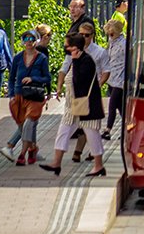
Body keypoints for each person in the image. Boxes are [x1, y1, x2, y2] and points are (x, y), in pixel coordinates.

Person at [40, 34, 106, 177]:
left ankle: (98, 166)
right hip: (73, 107)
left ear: (75, 47)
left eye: (67, 45)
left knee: (92, 134)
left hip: (87, 106)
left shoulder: (86, 61)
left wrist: (75, 62)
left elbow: (79, 81)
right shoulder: (76, 59)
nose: (66, 48)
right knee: (63, 132)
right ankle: (56, 163)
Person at [56, 22, 109, 162]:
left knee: (89, 129)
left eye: (87, 35)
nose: (84, 37)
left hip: (88, 97)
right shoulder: (73, 51)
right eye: (81, 35)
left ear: (92, 36)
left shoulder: (97, 53)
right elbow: (65, 68)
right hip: (74, 98)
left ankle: (87, 156)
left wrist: (98, 85)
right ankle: (58, 160)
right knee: (68, 127)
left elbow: (105, 71)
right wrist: (59, 85)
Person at [0, 30, 50, 165]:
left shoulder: (41, 58)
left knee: (28, 124)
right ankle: (33, 150)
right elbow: (11, 78)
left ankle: (18, 152)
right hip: (19, 95)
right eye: (25, 38)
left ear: (36, 40)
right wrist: (11, 95)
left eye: (32, 38)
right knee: (23, 126)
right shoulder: (17, 58)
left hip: (34, 96)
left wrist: (33, 78)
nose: (28, 41)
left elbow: (47, 77)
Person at [102, 19, 125, 140]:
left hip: (120, 79)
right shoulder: (111, 42)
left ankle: (107, 130)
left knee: (112, 104)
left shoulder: (124, 44)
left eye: (112, 33)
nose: (110, 36)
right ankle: (127, 129)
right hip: (112, 78)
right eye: (108, 34)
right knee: (120, 107)